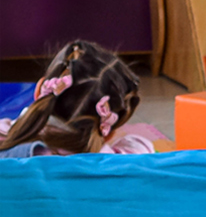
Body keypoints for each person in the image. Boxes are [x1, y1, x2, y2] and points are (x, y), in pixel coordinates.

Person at [0, 40, 161, 156]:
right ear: (107, 128)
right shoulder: (118, 164)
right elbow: (142, 149)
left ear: (39, 90)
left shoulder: (10, 150)